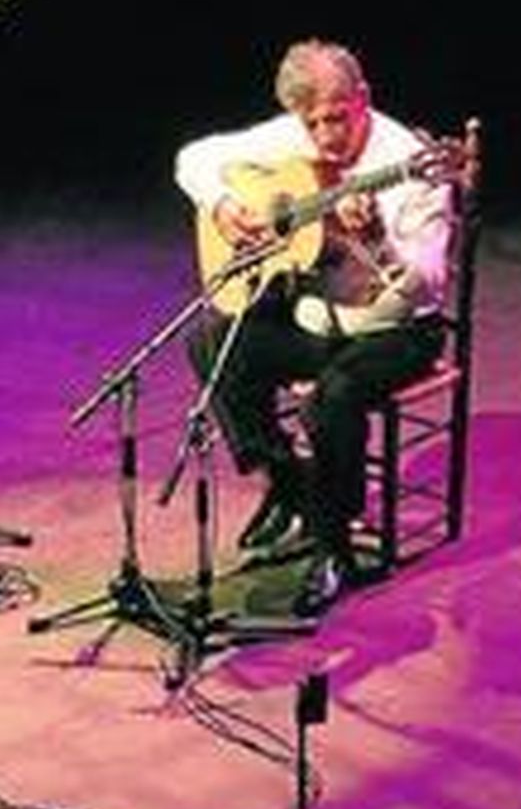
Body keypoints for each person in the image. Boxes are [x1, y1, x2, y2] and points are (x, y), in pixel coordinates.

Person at [175, 39, 454, 616]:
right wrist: (226, 206)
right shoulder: (296, 136)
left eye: (338, 118)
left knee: (334, 398)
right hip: (315, 315)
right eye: (314, 122)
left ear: (363, 100)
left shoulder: (411, 162)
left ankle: (334, 548)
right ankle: (288, 479)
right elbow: (193, 158)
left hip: (396, 331)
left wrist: (375, 239)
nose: (326, 135)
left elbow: (427, 282)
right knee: (211, 340)